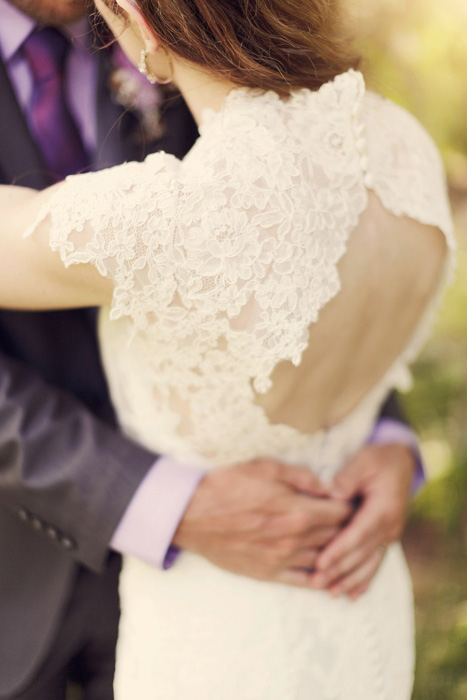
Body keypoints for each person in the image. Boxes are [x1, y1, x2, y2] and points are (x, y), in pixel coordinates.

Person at [0, 0, 433, 698]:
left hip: (208, 631)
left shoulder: (164, 212)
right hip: (336, 604)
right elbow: (339, 272)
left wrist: (385, 433)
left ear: (138, 26)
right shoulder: (397, 142)